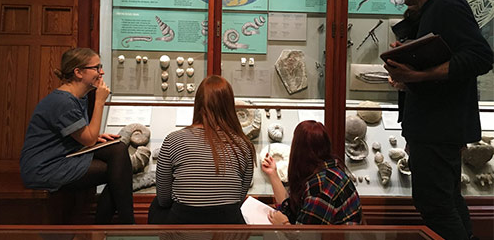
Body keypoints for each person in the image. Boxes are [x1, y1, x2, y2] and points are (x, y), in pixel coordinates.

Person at [384, 0, 493, 240]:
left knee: (435, 205)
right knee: (446, 201)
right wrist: (409, 63)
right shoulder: (436, 7)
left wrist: (418, 76)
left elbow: (481, 56)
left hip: (437, 128)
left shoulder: (447, 4)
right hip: (435, 127)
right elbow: (447, 59)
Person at [20, 48, 135, 224]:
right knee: (118, 172)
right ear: (78, 72)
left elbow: (83, 136)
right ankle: (123, 226)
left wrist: (94, 136)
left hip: (65, 156)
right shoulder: (63, 101)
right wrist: (99, 101)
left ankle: (113, 227)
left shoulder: (75, 97)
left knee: (118, 150)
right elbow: (88, 139)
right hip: (45, 167)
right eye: (97, 67)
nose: (101, 72)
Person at [148, 75, 255, 224]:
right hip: (227, 224)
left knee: (156, 206)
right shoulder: (244, 145)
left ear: (197, 103)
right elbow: (239, 197)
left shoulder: (173, 139)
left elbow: (164, 199)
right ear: (230, 105)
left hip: (184, 224)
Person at [261, 120, 362, 225]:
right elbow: (290, 209)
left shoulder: (320, 187)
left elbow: (307, 236)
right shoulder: (326, 170)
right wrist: (272, 173)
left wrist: (284, 224)